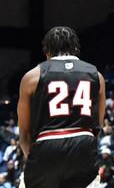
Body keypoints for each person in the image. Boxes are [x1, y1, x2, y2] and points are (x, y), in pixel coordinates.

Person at [17, 26, 106, 188]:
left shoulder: (32, 76)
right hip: (83, 147)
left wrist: (38, 159)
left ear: (47, 51)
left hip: (46, 147)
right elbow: (97, 127)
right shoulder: (96, 75)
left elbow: (24, 133)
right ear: (76, 49)